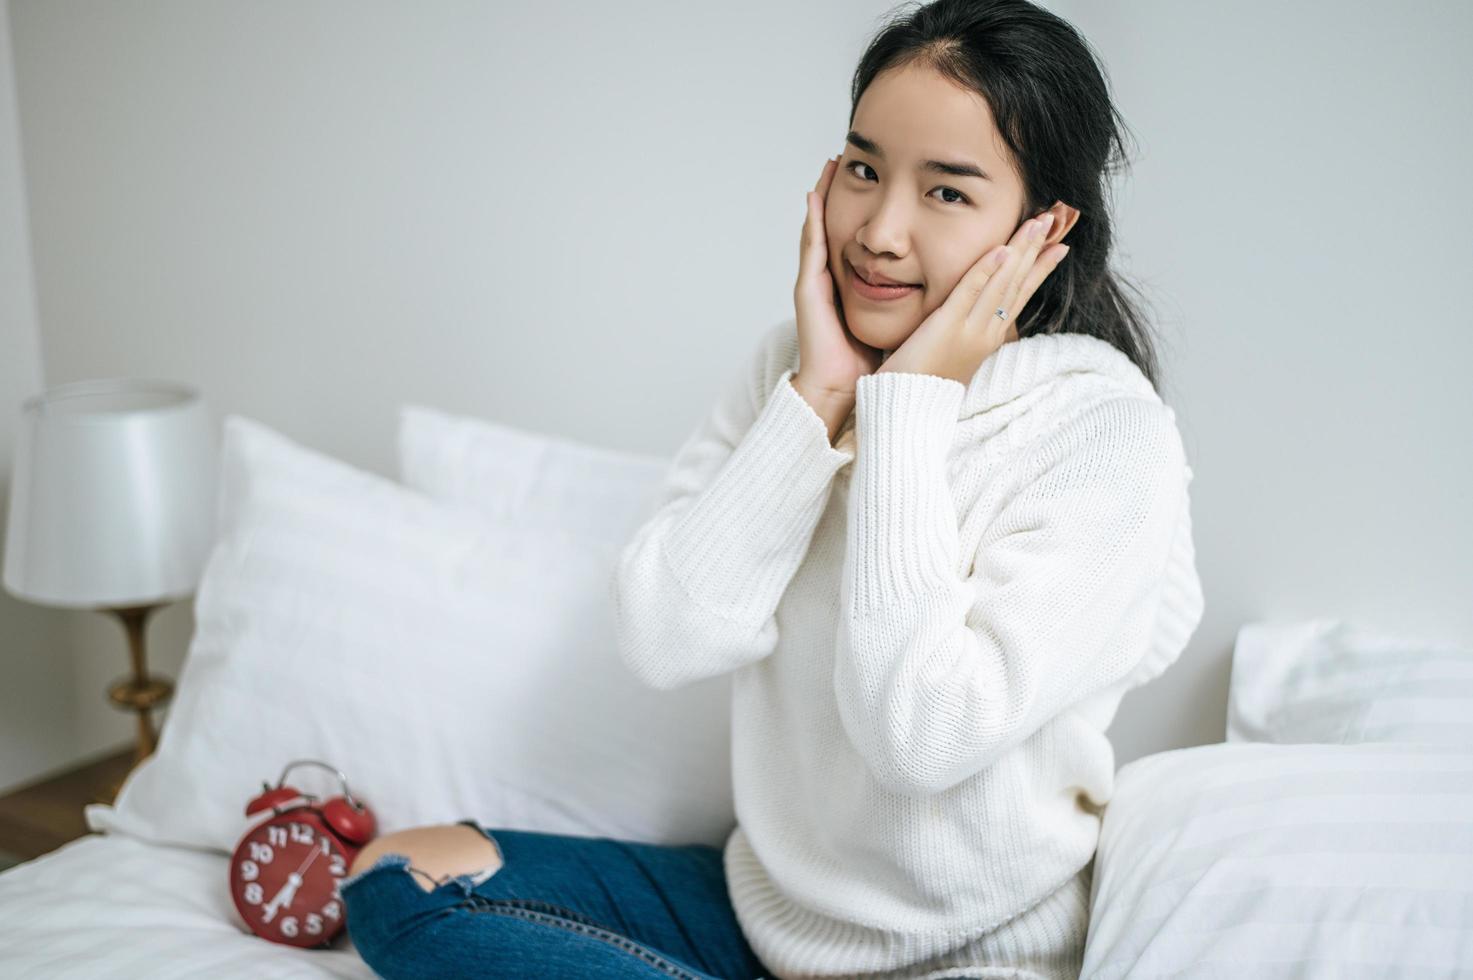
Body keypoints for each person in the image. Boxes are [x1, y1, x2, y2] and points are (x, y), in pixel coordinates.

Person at [339, 0, 1205, 977]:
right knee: (397, 881)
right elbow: (666, 635)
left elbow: (918, 735)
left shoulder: (1104, 434)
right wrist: (822, 396)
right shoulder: (791, 371)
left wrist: (909, 409)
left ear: (1043, 227)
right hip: (767, 923)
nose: (879, 231)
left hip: (972, 955)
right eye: (865, 169)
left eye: (948, 193)